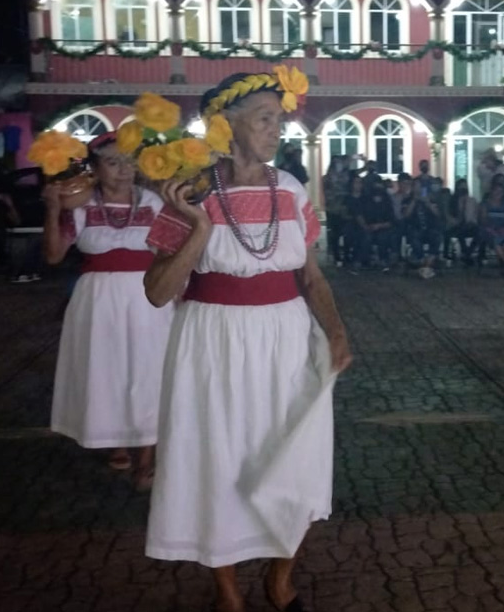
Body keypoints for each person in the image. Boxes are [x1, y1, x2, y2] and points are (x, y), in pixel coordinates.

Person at [142, 69, 352, 612]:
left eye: (278, 119)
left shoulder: (291, 189)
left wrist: (335, 330)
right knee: (219, 459)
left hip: (286, 339)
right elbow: (159, 292)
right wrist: (199, 230)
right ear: (225, 127)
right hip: (213, 344)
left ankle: (280, 577)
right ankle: (227, 591)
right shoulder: (190, 194)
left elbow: (312, 277)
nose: (276, 129)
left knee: (295, 455)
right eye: (264, 119)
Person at [43, 133, 173, 490]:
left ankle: (147, 454)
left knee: (149, 369)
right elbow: (54, 255)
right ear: (95, 169)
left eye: (129, 161)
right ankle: (115, 438)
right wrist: (54, 208)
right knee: (106, 368)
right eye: (113, 162)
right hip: (97, 299)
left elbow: (170, 251)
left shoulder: (152, 201)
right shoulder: (81, 206)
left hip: (147, 296)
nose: (123, 170)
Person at [400, 178, 443, 278]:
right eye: (416, 186)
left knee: (437, 236)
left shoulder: (430, 199)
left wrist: (428, 203)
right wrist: (414, 201)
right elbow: (406, 215)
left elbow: (437, 214)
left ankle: (428, 261)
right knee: (414, 237)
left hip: (429, 229)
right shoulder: (407, 200)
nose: (418, 189)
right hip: (414, 228)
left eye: (420, 186)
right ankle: (423, 261)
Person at [479, 173, 504, 272]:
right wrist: (493, 227)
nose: (498, 195)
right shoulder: (486, 204)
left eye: (500, 193)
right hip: (491, 229)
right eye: (496, 192)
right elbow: (483, 219)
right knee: (496, 241)